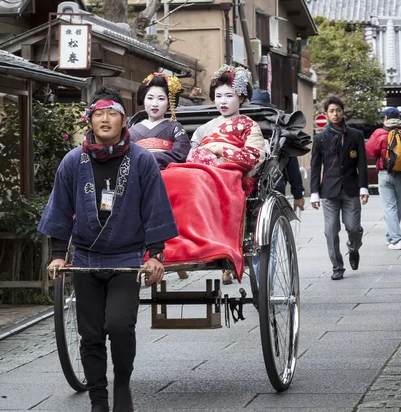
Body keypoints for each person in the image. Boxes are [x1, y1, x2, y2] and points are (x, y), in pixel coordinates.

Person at [38, 87, 179, 412]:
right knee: (90, 335)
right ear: (90, 119)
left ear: (122, 120)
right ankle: (99, 400)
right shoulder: (73, 161)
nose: (105, 119)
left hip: (127, 258)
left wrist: (155, 255)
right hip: (86, 258)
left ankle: (122, 385)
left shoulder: (141, 160)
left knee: (118, 325)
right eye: (98, 114)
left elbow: (154, 209)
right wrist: (59, 254)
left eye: (111, 113)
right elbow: (61, 210)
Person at [187, 65, 267, 284]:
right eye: (218, 96)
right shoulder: (204, 128)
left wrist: (223, 151)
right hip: (199, 174)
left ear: (241, 98)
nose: (223, 101)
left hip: (231, 176)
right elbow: (191, 154)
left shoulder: (249, 126)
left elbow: (253, 158)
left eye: (229, 96)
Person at [129, 72, 191, 280]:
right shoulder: (132, 130)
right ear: (143, 100)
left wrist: (149, 162)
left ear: (169, 103)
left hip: (166, 173)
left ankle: (175, 249)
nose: (154, 104)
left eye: (161, 98)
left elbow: (181, 153)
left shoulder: (175, 128)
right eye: (150, 98)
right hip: (138, 175)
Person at [310, 96, 369, 280]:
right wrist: (314, 193)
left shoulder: (355, 135)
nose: (335, 114)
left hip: (351, 189)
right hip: (329, 191)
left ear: (343, 112)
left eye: (338, 110)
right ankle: (337, 267)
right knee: (331, 231)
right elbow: (315, 166)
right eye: (331, 111)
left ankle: (353, 249)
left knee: (353, 228)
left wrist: (364, 188)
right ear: (326, 114)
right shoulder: (320, 139)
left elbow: (362, 163)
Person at [365, 107, 401, 250]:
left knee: (389, 207)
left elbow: (369, 152)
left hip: (385, 173)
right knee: (398, 207)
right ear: (399, 118)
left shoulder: (379, 133)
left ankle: (397, 239)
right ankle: (391, 237)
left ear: (385, 119)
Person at [249, 89, 305, 212]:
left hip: (270, 187)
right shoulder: (276, 130)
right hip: (266, 185)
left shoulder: (277, 131)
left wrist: (298, 194)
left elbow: (292, 166)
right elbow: (292, 167)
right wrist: (298, 194)